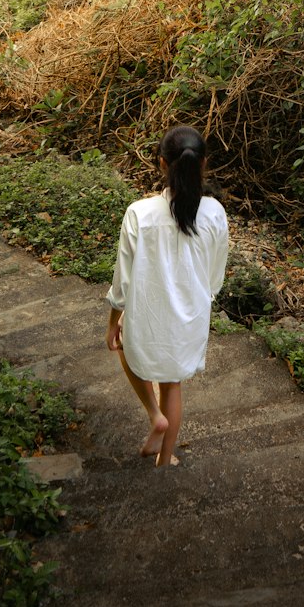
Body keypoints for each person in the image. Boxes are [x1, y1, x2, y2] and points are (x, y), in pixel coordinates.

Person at [105, 124, 229, 468]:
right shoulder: (215, 213)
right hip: (189, 315)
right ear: (203, 164)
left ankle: (154, 415)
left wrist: (113, 321)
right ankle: (163, 460)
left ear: (162, 164)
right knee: (172, 383)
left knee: (127, 349)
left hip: (146, 312)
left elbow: (123, 282)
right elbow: (215, 278)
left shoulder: (139, 213)